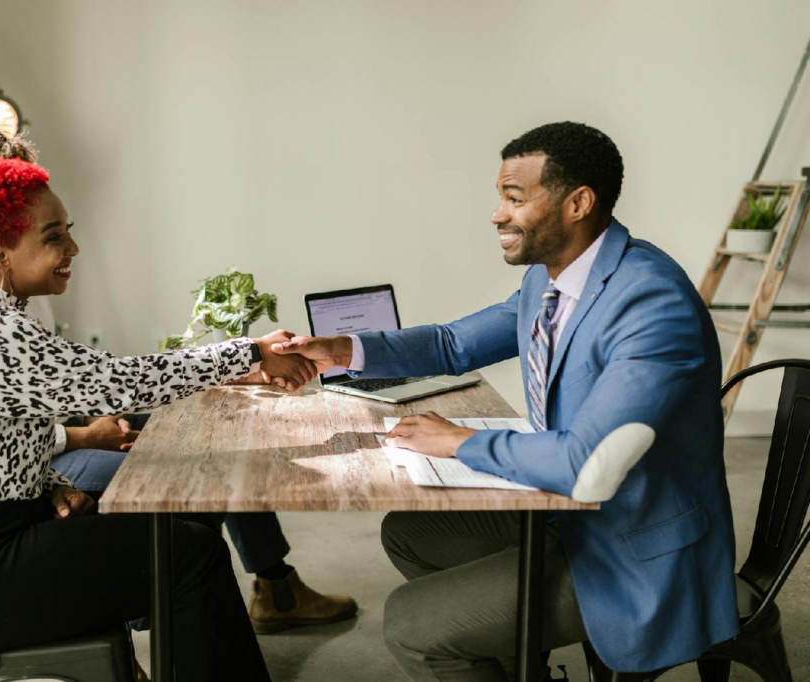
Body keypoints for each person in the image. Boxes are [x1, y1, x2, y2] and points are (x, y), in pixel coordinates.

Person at [269, 122, 740, 680]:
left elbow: (588, 464)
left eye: (514, 198)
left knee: (410, 624)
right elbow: (452, 342)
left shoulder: (649, 301)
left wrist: (461, 441)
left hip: (631, 546)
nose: (497, 214)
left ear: (578, 203)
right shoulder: (551, 279)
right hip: (571, 517)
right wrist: (339, 350)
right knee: (411, 532)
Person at [0, 130, 358, 644]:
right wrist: (246, 351)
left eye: (66, 230)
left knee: (183, 536)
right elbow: (115, 383)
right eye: (53, 237)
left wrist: (47, 486)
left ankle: (263, 593)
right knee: (187, 552)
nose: (72, 247)